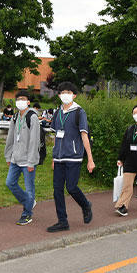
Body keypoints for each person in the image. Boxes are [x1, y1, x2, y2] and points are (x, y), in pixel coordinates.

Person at [47, 82, 95, 232]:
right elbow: (56, 136)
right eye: (62, 92)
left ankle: (86, 205)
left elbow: (84, 136)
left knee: (72, 187)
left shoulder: (79, 112)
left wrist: (90, 159)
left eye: (68, 92)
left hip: (74, 156)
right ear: (59, 95)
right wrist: (54, 157)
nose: (65, 95)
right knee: (57, 190)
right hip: (59, 157)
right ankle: (62, 221)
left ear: (74, 95)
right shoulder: (57, 112)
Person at [5, 90, 41, 226]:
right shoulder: (15, 117)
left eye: (23, 99)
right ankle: (29, 201)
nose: (20, 101)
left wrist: (31, 161)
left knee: (29, 188)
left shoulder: (32, 117)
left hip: (28, 160)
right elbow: (10, 138)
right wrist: (8, 155)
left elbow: (34, 141)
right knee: (10, 183)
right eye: (18, 99)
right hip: (15, 158)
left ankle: (27, 214)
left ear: (28, 102)